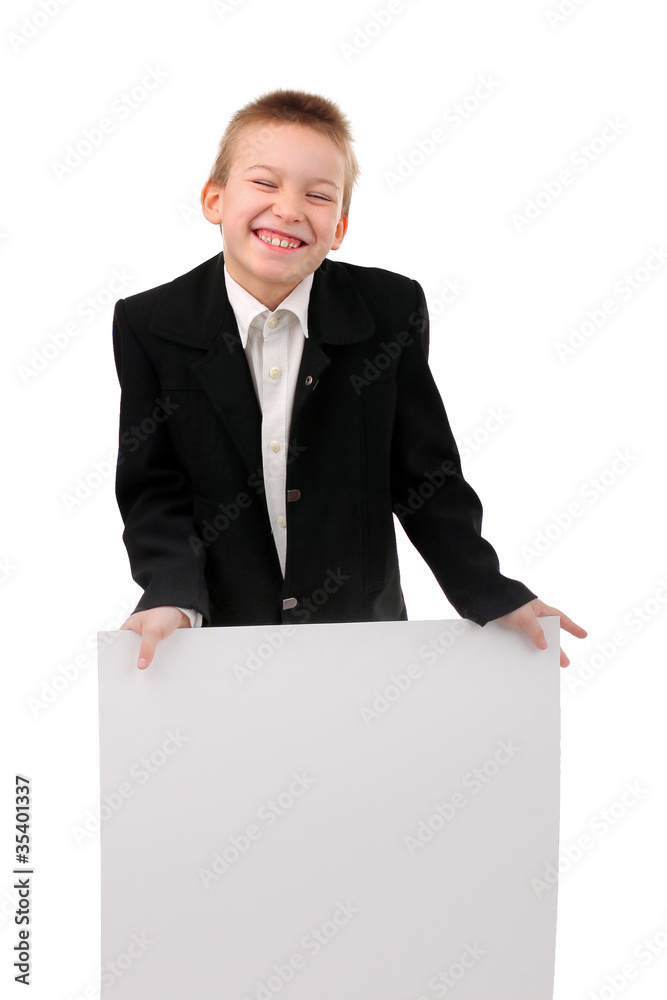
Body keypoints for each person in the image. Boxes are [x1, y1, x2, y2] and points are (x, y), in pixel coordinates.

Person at [113, 88, 586, 670]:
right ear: (214, 199)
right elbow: (153, 489)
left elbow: (426, 478)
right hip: (215, 640)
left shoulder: (388, 310)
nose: (289, 209)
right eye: (264, 183)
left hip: (362, 638)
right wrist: (169, 594)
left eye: (317, 195)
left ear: (338, 228)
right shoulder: (150, 323)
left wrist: (489, 591)